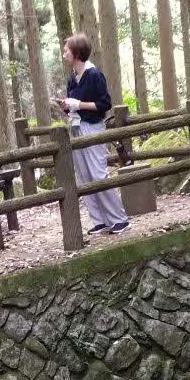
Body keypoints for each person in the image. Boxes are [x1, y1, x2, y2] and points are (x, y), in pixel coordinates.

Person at [55, 33, 129, 237]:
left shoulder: (94, 74)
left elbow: (104, 104)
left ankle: (119, 219)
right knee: (84, 177)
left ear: (77, 53)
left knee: (98, 173)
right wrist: (67, 106)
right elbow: (73, 107)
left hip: (93, 128)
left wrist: (78, 104)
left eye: (66, 50)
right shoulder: (72, 79)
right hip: (76, 128)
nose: (63, 54)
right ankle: (100, 221)